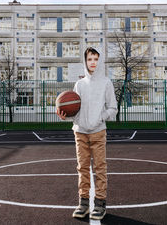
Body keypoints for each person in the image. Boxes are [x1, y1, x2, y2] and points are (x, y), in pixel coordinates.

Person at [56, 47, 117, 220]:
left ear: (100, 61)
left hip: (98, 131)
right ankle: (83, 203)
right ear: (85, 61)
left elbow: (113, 108)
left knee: (100, 168)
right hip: (80, 132)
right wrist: (65, 117)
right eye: (90, 59)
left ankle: (99, 203)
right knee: (82, 168)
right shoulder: (79, 84)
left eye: (96, 59)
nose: (93, 62)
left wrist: (100, 118)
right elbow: (75, 110)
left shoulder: (106, 82)